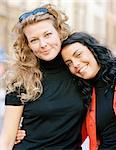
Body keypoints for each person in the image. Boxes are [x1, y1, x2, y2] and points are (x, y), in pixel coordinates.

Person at [0, 4, 86, 150]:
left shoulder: (78, 69)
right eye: (34, 40)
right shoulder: (21, 78)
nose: (43, 44)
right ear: (28, 45)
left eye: (47, 34)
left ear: (59, 32)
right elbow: (7, 140)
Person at [61, 32, 116, 150]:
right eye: (69, 63)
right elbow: (67, 135)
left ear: (93, 50)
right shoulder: (85, 95)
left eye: (78, 54)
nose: (75, 64)